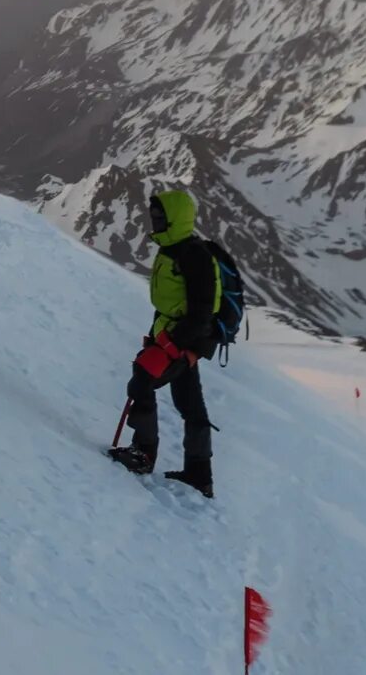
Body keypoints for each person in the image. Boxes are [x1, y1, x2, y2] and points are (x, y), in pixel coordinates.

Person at [109, 188, 222, 498]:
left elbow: (200, 310)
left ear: (175, 219)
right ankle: (200, 474)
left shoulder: (193, 256)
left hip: (182, 338)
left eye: (160, 217)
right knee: (190, 404)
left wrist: (173, 344)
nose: (154, 221)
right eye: (154, 215)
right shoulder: (175, 248)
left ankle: (143, 455)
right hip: (177, 335)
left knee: (142, 380)